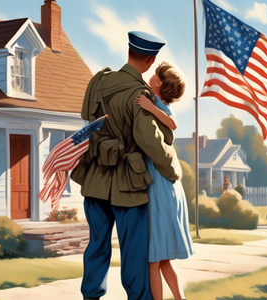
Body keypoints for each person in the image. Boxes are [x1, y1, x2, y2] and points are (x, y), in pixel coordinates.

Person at [71, 31, 182, 300]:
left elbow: (88, 120)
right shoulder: (138, 93)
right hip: (128, 185)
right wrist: (173, 170)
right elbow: (150, 141)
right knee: (134, 250)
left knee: (97, 244)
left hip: (96, 179)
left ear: (130, 51)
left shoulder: (98, 81)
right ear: (150, 59)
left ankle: (91, 296)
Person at [134, 62, 194, 300]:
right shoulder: (149, 94)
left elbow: (172, 122)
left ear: (159, 83)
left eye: (155, 75)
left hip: (159, 184)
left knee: (154, 259)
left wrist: (150, 106)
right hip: (163, 182)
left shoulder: (159, 103)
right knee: (162, 258)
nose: (151, 76)